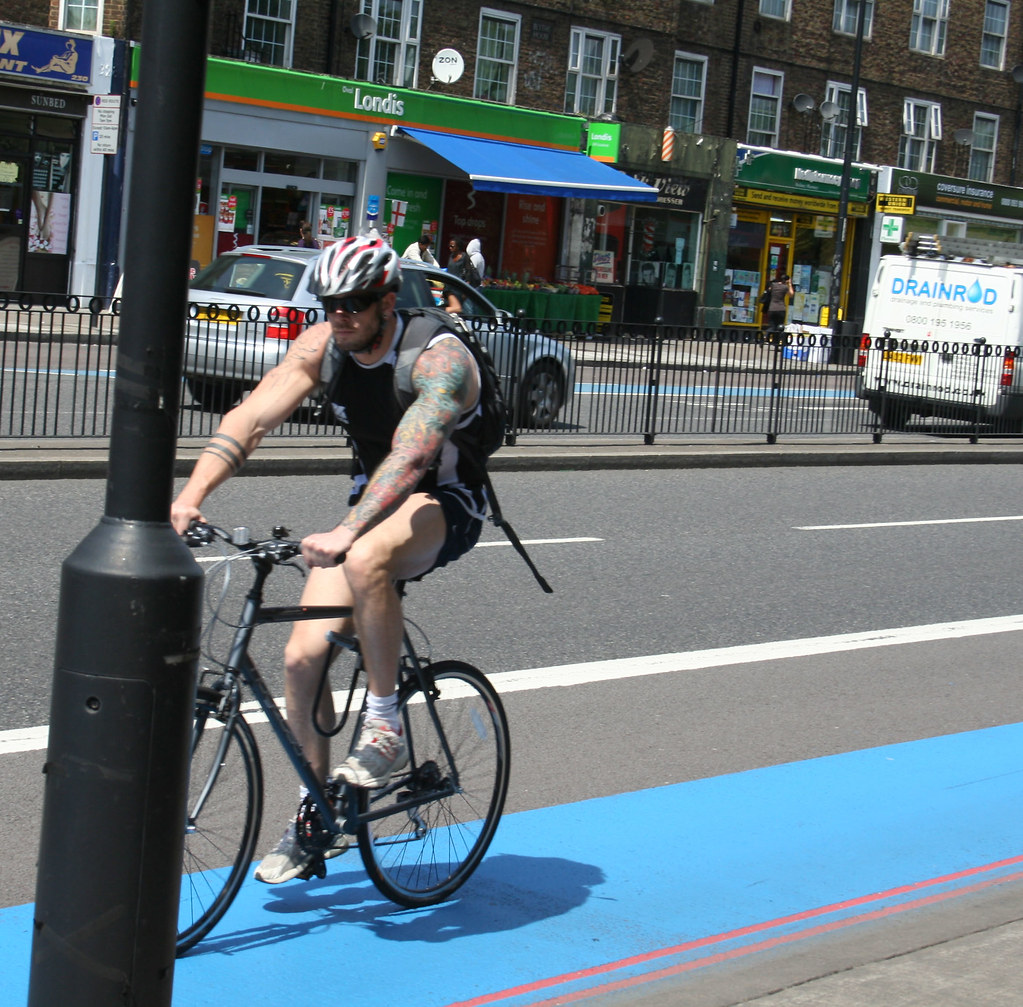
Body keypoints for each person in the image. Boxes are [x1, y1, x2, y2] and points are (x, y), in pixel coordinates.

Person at [170, 234, 488, 884]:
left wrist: (346, 530)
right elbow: (252, 418)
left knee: (367, 555)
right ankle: (317, 813)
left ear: (386, 301)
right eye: (329, 303)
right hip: (369, 506)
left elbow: (413, 454)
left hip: (446, 499)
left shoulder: (438, 357)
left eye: (353, 303)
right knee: (300, 658)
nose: (338, 314)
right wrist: (191, 495)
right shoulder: (323, 346)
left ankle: (383, 727)